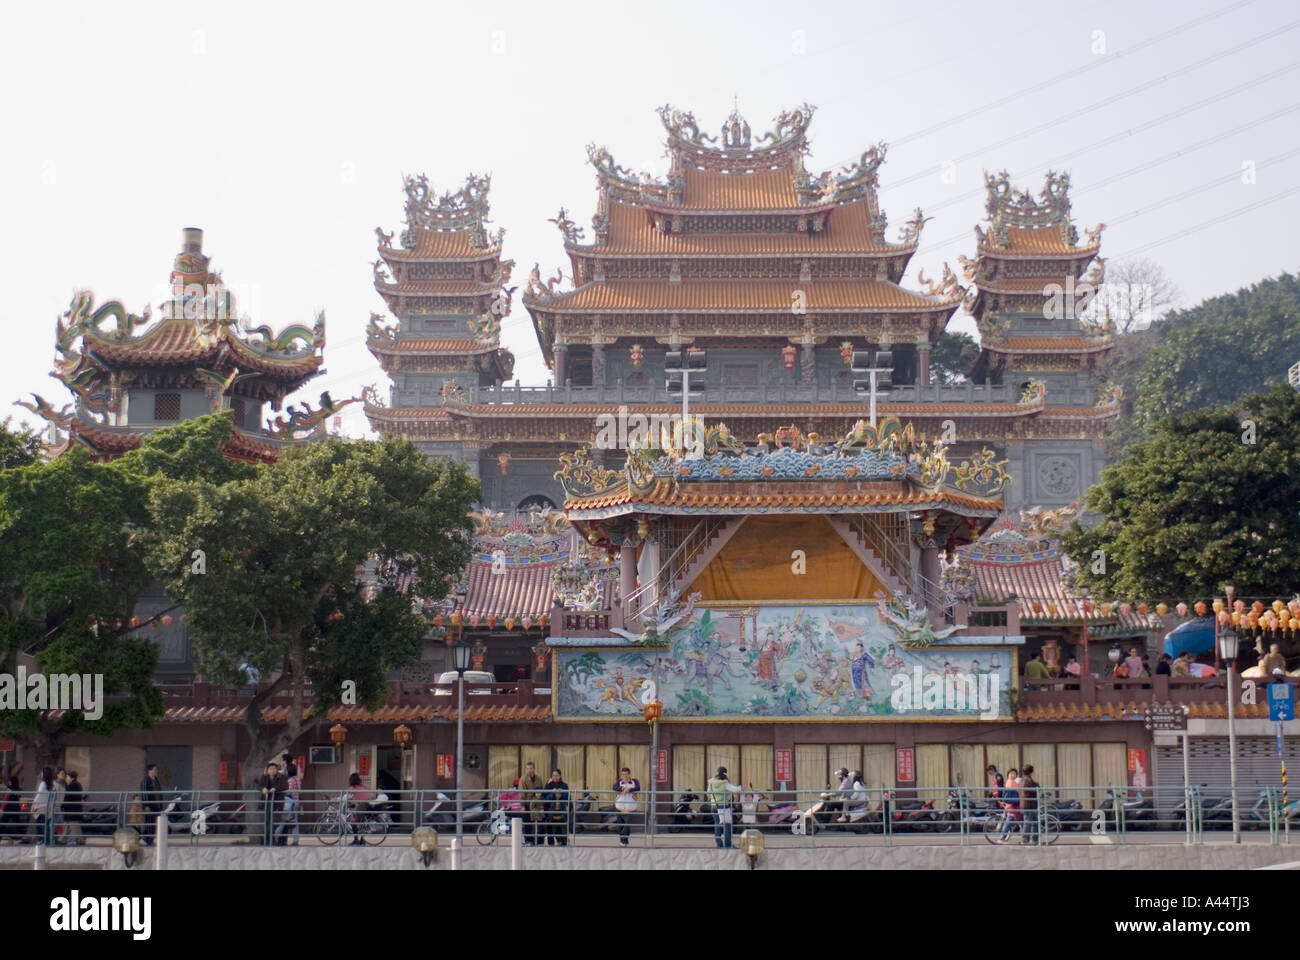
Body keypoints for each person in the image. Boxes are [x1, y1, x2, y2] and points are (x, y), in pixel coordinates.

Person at [706, 766, 742, 848]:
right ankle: (728, 844)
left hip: (714, 806)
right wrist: (741, 787)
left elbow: (708, 793)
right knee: (727, 825)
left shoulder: (711, 783)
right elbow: (735, 790)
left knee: (717, 825)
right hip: (724, 807)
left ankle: (719, 844)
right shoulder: (725, 783)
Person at [258, 761, 288, 845]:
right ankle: (264, 841)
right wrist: (262, 789)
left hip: (277, 803)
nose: (272, 770)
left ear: (277, 770)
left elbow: (285, 786)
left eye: (274, 769)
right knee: (265, 823)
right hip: (266, 803)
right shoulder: (264, 777)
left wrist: (275, 789)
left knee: (275, 823)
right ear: (267, 770)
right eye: (270, 769)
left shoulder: (281, 777)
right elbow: (259, 785)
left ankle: (274, 840)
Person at [518, 761, 545, 846]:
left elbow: (542, 790)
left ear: (534, 769)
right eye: (528, 769)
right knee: (527, 824)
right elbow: (521, 793)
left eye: (531, 768)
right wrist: (522, 805)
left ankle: (540, 841)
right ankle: (528, 841)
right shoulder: (523, 779)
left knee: (540, 824)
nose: (529, 770)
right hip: (527, 804)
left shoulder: (538, 779)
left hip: (537, 805)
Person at [276, 761, 301, 846]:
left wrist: (281, 792)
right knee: (295, 821)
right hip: (297, 800)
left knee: (284, 820)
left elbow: (289, 791)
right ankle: (296, 840)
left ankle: (275, 837)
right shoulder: (297, 779)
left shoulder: (290, 780)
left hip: (290, 802)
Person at [542, 769, 570, 846]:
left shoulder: (564, 785)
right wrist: (553, 794)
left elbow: (568, 798)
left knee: (561, 828)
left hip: (561, 812)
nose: (555, 777)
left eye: (556, 775)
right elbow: (545, 797)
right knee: (549, 828)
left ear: (560, 776)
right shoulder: (548, 785)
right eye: (553, 775)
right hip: (551, 811)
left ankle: (563, 842)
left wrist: (561, 794)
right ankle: (551, 843)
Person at [138, 763, 164, 846]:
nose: (157, 771)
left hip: (156, 805)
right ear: (150, 771)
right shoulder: (146, 780)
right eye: (155, 769)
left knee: (154, 823)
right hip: (150, 806)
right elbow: (145, 793)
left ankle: (151, 839)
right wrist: (146, 805)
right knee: (149, 822)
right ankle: (147, 839)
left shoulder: (155, 780)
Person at [613, 767, 639, 846]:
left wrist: (629, 789)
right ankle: (623, 841)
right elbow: (614, 787)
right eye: (623, 774)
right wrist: (621, 788)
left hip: (629, 807)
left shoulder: (634, 781)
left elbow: (638, 788)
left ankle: (624, 840)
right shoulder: (619, 781)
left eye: (626, 774)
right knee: (620, 825)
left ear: (629, 774)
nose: (624, 776)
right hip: (619, 806)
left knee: (627, 824)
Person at [29, 767, 54, 844]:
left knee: (40, 826)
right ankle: (46, 841)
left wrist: (34, 804)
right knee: (45, 826)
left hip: (40, 808)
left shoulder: (43, 784)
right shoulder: (50, 784)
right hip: (46, 808)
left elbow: (39, 795)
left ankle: (41, 841)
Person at [1, 763, 22, 843]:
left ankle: (17, 838)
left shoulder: (13, 779)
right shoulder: (14, 779)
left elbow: (10, 791)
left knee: (4, 821)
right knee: (15, 821)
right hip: (13, 803)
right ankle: (18, 838)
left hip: (11, 804)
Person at [346, 772, 370, 845]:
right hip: (367, 805)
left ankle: (356, 840)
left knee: (353, 821)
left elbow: (347, 796)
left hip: (361, 805)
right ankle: (362, 840)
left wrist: (335, 799)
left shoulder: (352, 788)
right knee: (362, 822)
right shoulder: (363, 786)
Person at [1019, 765, 1039, 844]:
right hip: (1029, 804)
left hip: (1026, 804)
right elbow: (1033, 790)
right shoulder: (1028, 780)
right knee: (1029, 822)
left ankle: (1034, 839)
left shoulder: (1023, 780)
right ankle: (1025, 839)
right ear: (1031, 772)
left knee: (1034, 822)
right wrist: (1037, 785)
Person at [999, 768, 1021, 841]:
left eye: (1014, 774)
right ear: (1008, 775)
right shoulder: (1010, 782)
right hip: (1012, 806)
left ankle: (1026, 838)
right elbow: (1018, 790)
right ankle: (1002, 838)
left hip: (1012, 805)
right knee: (1009, 821)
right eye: (1011, 773)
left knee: (1021, 821)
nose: (1013, 775)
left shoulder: (1010, 782)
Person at [63, 770, 84, 846]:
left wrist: (63, 805)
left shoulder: (72, 785)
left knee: (74, 826)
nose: (66, 778)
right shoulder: (77, 784)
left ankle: (79, 840)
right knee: (67, 826)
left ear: (70, 777)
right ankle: (62, 839)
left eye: (67, 776)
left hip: (72, 810)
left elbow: (68, 797)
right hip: (74, 810)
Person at [51, 768, 67, 844]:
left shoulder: (64, 784)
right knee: (53, 825)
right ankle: (51, 839)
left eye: (64, 774)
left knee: (63, 825)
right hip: (55, 807)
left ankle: (60, 839)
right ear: (57, 775)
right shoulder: (53, 784)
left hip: (61, 807)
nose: (64, 775)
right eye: (62, 774)